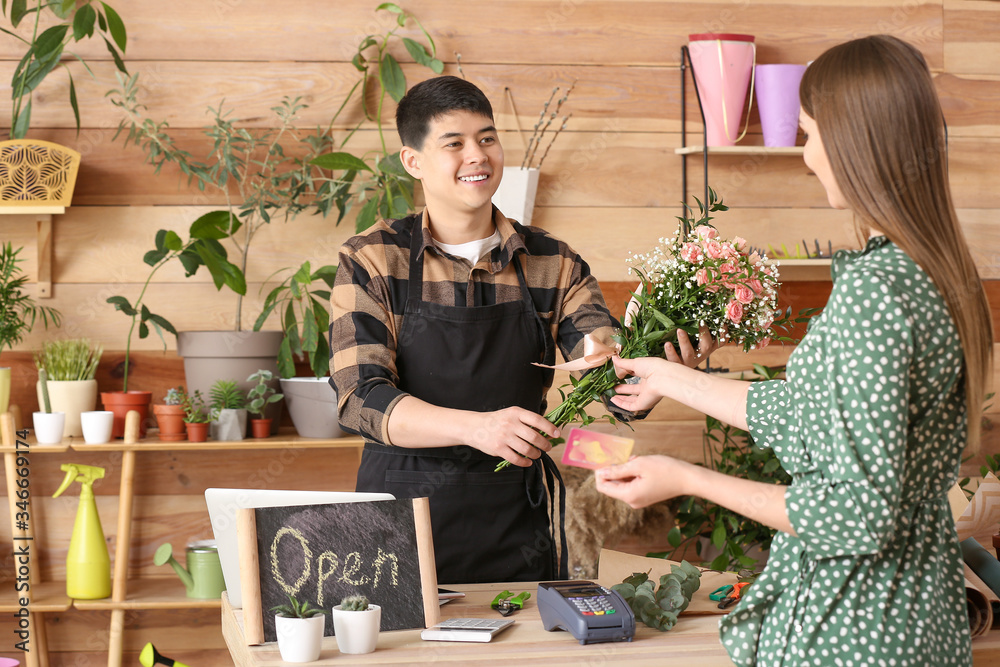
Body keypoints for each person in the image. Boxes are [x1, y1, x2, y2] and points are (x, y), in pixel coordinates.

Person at [595, 35, 991, 666]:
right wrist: (667, 377)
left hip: (855, 629)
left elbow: (856, 518)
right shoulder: (936, 274)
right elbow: (816, 414)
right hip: (921, 617)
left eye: (810, 134)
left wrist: (686, 478)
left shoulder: (875, 291)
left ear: (855, 140)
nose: (808, 158)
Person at [329, 75, 712, 585]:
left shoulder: (551, 261)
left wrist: (656, 373)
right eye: (455, 143)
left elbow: (608, 374)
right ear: (413, 161)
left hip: (515, 517)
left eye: (487, 139)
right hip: (401, 517)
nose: (478, 156)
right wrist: (476, 427)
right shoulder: (374, 258)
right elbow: (360, 398)